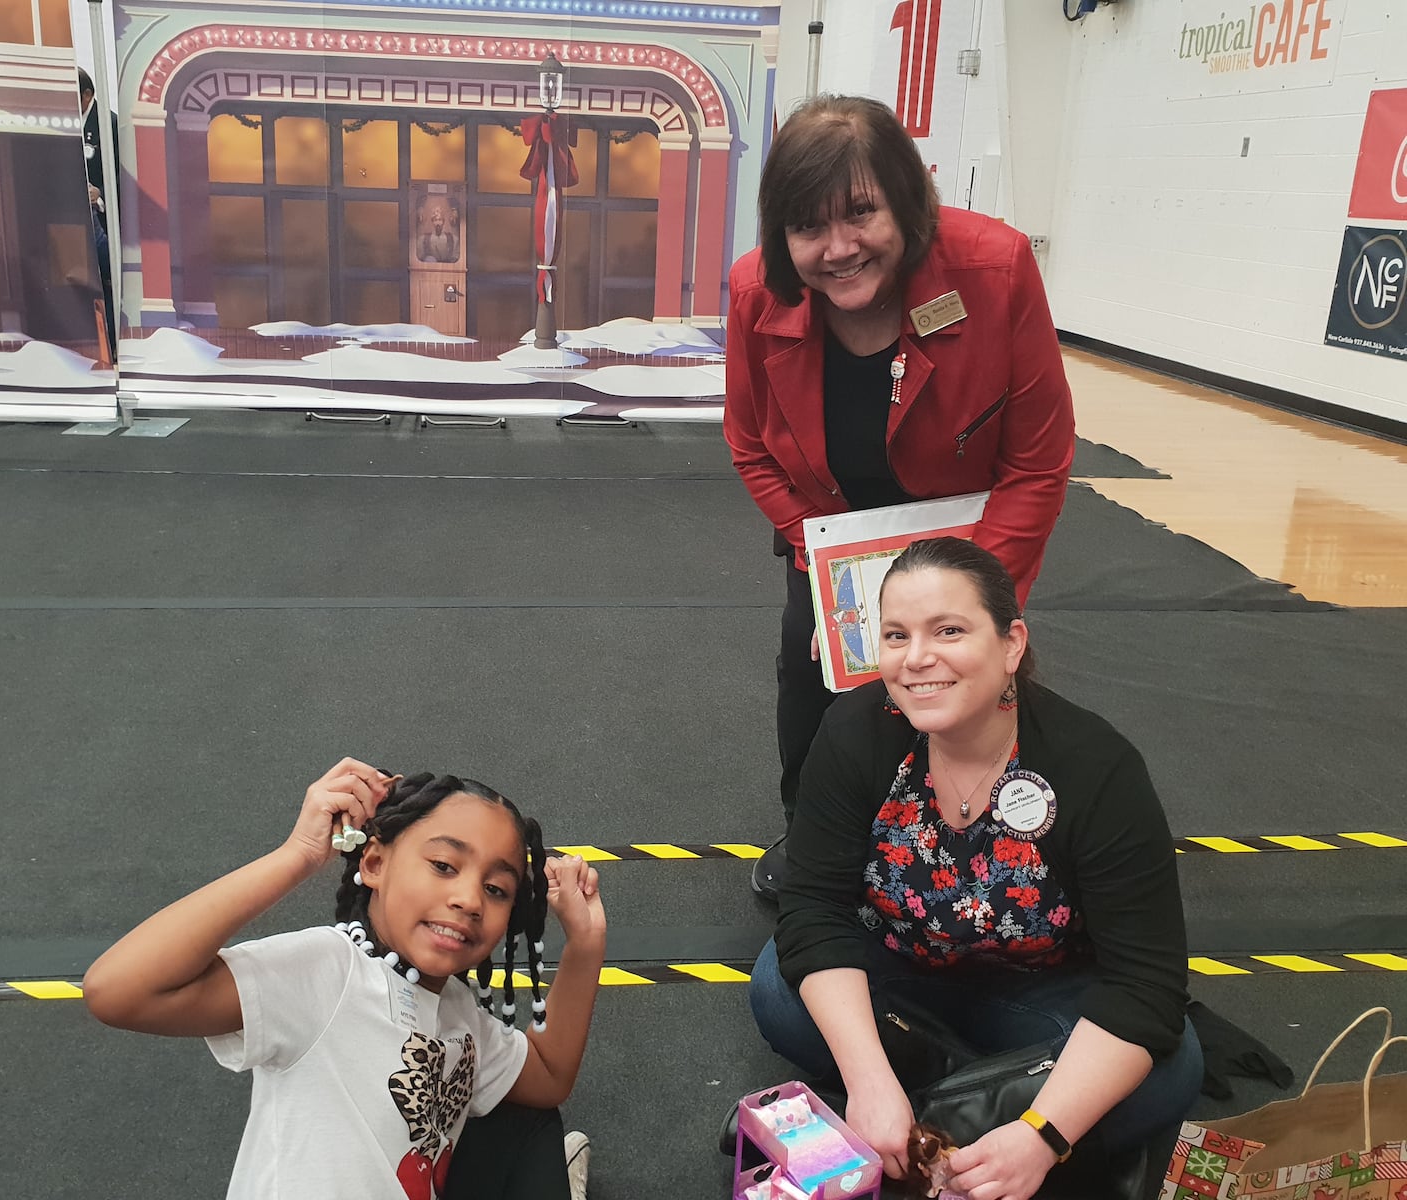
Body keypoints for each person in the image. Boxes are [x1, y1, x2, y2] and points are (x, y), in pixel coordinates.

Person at [748, 538, 1201, 1199]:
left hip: (1042, 994)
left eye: (949, 630)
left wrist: (1043, 1134)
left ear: (1012, 643)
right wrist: (871, 1082)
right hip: (901, 973)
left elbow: (1146, 982)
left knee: (1173, 1061)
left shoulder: (1097, 767)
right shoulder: (855, 730)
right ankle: (974, 1108)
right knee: (776, 991)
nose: (917, 659)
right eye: (896, 635)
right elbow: (813, 909)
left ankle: (944, 1118)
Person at [724, 95, 1076, 901]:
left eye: (861, 214)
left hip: (968, 542)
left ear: (908, 203)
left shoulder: (996, 269)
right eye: (808, 227)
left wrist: (965, 607)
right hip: (830, 535)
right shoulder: (755, 292)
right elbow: (749, 443)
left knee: (964, 694)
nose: (838, 248)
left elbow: (1037, 460)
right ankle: (813, 833)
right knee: (814, 695)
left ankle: (981, 843)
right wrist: (829, 578)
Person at [84, 759, 605, 1199]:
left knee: (526, 1121)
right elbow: (120, 990)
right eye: (444, 865)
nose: (469, 899)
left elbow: (548, 1076)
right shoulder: (327, 972)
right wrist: (299, 855)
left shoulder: (456, 1010)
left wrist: (584, 944)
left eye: (496, 889)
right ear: (374, 862)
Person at [78, 67, 118, 354]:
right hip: (75, 220)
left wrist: (101, 192)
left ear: (87, 95)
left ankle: (114, 345)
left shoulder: (108, 124)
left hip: (102, 217)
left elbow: (125, 171)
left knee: (108, 279)